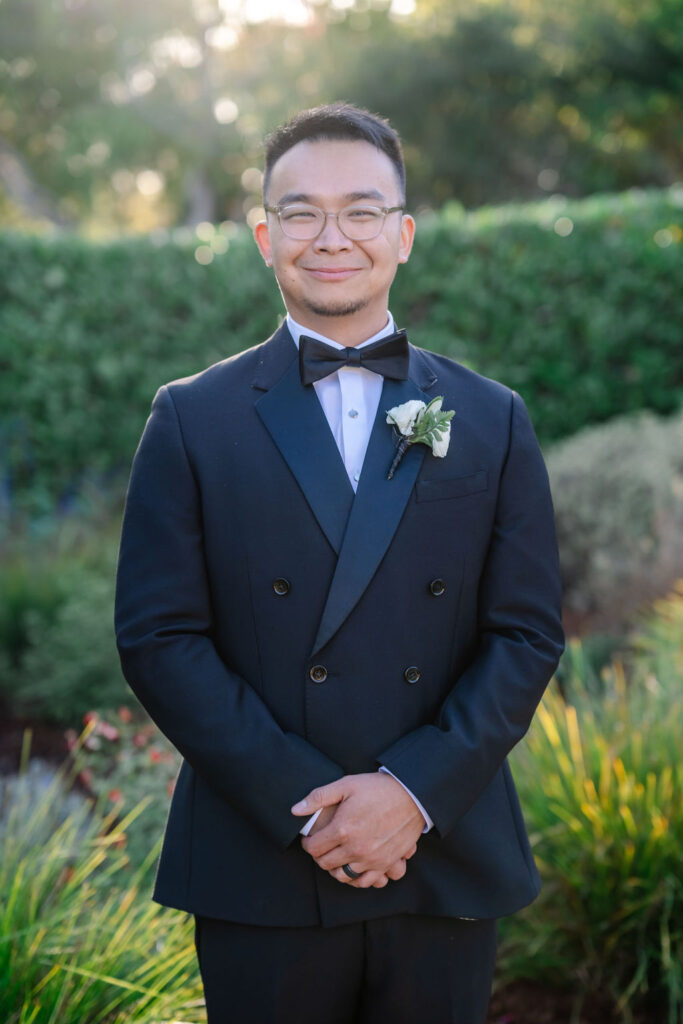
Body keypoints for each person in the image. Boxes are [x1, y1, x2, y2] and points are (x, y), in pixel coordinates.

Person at [114, 102, 564, 1024]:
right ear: (262, 235)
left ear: (401, 235)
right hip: (262, 856)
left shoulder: (491, 417)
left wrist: (410, 793)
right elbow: (159, 637)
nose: (332, 236)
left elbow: (525, 632)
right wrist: (307, 807)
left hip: (440, 848)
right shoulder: (190, 418)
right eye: (300, 211)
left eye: (361, 211)